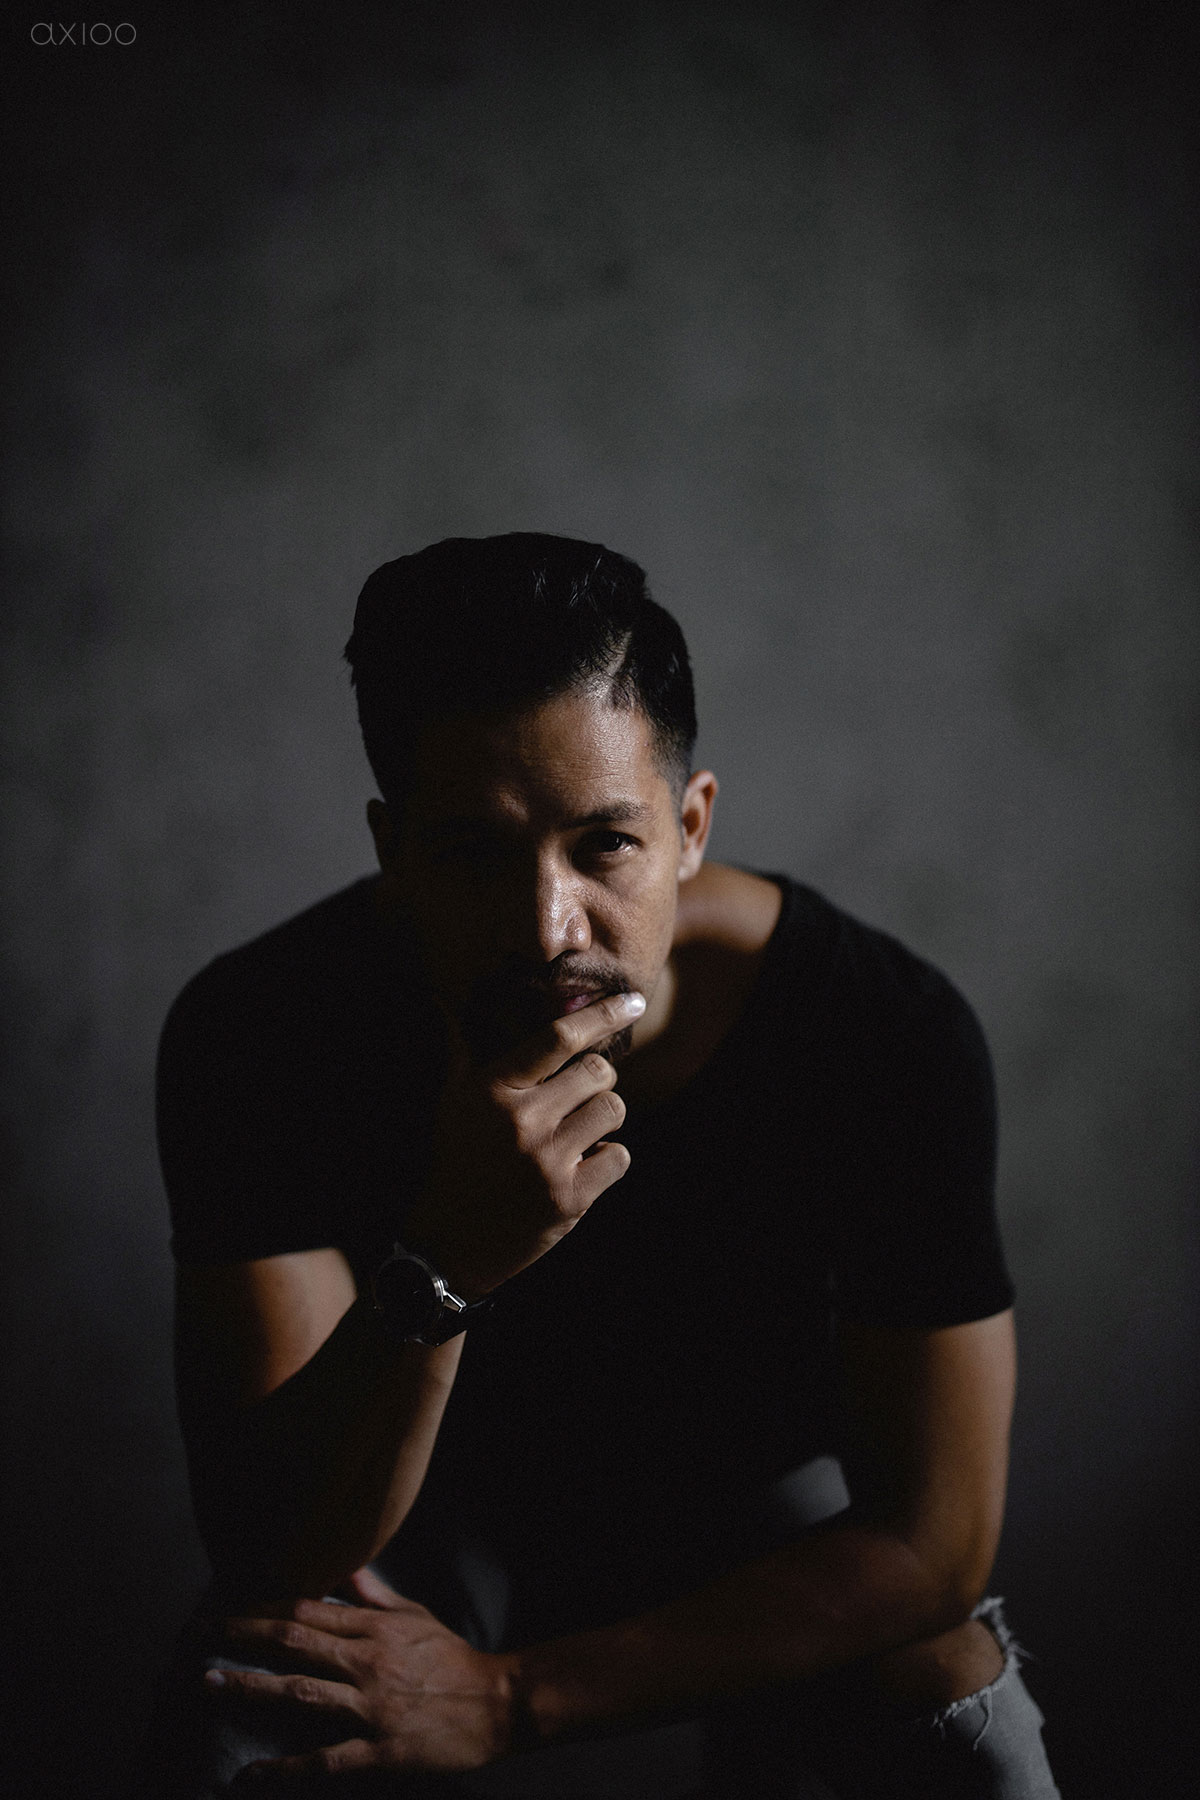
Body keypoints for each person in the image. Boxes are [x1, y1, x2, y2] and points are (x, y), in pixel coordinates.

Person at [145, 533, 1060, 1797]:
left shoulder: (880, 1035)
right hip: (424, 1521)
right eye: (474, 853)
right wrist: (446, 1264)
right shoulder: (260, 1031)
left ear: (689, 827)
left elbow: (935, 1542)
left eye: (604, 845)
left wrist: (516, 1700)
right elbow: (278, 1547)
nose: (546, 929)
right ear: (393, 850)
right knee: (249, 1717)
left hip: (748, 1517)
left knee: (964, 1718)